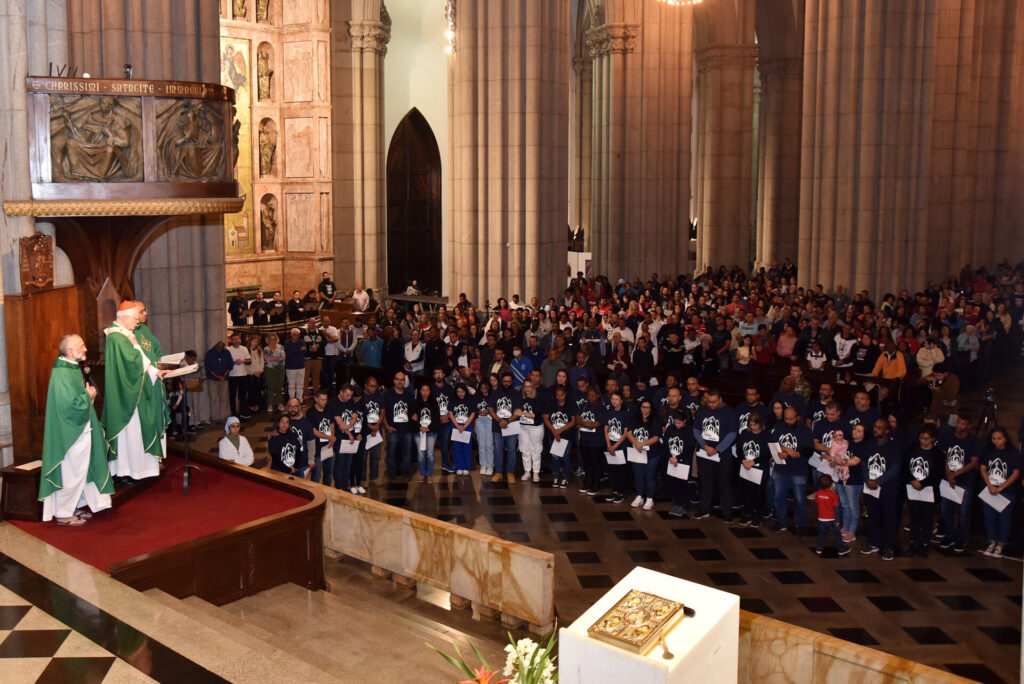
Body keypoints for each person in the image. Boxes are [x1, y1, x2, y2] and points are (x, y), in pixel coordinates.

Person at [39, 334, 113, 525]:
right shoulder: (62, 374)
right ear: (70, 352)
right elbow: (68, 407)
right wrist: (88, 395)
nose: (85, 349)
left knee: (81, 471)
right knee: (71, 472)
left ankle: (74, 506)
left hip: (80, 428)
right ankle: (63, 514)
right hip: (71, 433)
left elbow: (77, 397)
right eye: (81, 346)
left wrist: (88, 395)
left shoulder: (71, 369)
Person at [102, 301, 169, 482]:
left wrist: (156, 371)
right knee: (129, 435)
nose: (138, 322)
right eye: (134, 318)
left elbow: (142, 362)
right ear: (124, 317)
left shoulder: (125, 334)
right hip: (126, 396)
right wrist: (137, 346)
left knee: (135, 434)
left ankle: (133, 470)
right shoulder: (117, 337)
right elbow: (135, 363)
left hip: (131, 391)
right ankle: (125, 472)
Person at [937, 414, 981, 552]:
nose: (959, 426)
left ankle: (961, 538)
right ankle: (949, 535)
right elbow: (943, 454)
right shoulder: (948, 435)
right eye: (959, 423)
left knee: (963, 512)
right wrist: (948, 473)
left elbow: (974, 462)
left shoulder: (974, 441)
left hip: (965, 481)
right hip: (947, 480)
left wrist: (955, 474)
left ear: (969, 426)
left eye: (963, 424)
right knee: (945, 510)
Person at [693, 389, 738, 522]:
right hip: (705, 453)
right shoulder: (702, 410)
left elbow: (732, 434)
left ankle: (726, 511)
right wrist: (705, 446)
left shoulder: (729, 412)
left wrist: (717, 449)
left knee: (724, 483)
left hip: (722, 455)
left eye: (713, 402)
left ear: (720, 400)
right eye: (709, 402)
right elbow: (696, 430)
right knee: (705, 482)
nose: (711, 405)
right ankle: (704, 509)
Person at [861, 419, 903, 560]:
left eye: (879, 428)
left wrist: (878, 482)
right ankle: (872, 543)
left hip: (887, 489)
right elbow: (863, 463)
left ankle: (889, 547)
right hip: (871, 487)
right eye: (874, 427)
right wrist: (868, 480)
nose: (875, 430)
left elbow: (895, 468)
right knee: (872, 516)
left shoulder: (894, 447)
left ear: (886, 431)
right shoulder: (869, 444)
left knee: (889, 518)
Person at [979, 427, 1021, 558]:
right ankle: (992, 541)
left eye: (999, 438)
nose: (996, 441)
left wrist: (1001, 488)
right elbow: (983, 469)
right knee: (989, 518)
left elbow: (1016, 473)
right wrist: (990, 486)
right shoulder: (988, 451)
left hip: (1006, 491)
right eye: (994, 439)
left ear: (1005, 438)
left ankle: (1001, 544)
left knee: (1004, 519)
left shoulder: (1013, 453)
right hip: (990, 490)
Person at [770, 407, 813, 534]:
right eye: (786, 418)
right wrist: (782, 451)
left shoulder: (805, 430)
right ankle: (781, 521)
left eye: (791, 419)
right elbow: (772, 444)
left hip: (798, 471)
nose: (788, 421)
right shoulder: (779, 428)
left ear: (797, 417)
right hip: (780, 469)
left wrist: (796, 453)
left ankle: (799, 523)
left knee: (799, 499)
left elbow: (809, 450)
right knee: (778, 497)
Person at [904, 425, 941, 557]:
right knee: (914, 518)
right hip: (912, 488)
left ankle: (924, 544)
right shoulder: (912, 450)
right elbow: (906, 467)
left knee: (927, 519)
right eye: (921, 438)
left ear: (932, 439)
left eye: (926, 438)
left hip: (929, 491)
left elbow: (938, 473)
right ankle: (913, 543)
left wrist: (923, 483)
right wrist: (912, 481)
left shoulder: (937, 454)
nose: (923, 441)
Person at [736, 413, 771, 526]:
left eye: (755, 425)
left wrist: (753, 462)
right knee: (746, 492)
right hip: (746, 468)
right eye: (751, 425)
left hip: (759, 470)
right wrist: (743, 460)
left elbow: (767, 454)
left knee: (758, 494)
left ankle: (757, 516)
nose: (753, 427)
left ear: (760, 424)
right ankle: (747, 514)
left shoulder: (766, 435)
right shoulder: (745, 433)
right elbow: (739, 449)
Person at [627, 399, 662, 510]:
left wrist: (641, 444)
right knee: (638, 475)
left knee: (649, 475)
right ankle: (639, 495)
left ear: (651, 409)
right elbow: (629, 433)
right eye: (643, 407)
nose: (645, 410)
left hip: (652, 453)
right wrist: (636, 443)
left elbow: (656, 437)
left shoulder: (656, 420)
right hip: (637, 451)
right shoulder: (634, 418)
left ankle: (650, 498)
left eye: (647, 407)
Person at [488, 372, 523, 483]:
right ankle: (498, 472)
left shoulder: (516, 394)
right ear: (501, 381)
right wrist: (499, 420)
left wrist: (507, 421)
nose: (506, 383)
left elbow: (518, 411)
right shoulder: (496, 392)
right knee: (498, 450)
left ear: (512, 381)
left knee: (512, 450)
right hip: (497, 426)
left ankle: (510, 472)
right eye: (504, 381)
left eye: (508, 381)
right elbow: (490, 409)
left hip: (512, 426)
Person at [329, 384, 362, 493]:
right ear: (341, 392)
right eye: (347, 395)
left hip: (349, 438)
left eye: (350, 395)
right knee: (340, 463)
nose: (349, 397)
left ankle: (345, 485)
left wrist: (348, 428)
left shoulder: (351, 401)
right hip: (339, 438)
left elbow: (355, 416)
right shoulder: (334, 403)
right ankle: (339, 487)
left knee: (348, 464)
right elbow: (339, 423)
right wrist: (349, 433)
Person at [382, 371, 415, 477]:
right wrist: (386, 426)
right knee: (391, 453)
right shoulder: (387, 395)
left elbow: (412, 412)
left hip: (406, 430)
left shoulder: (409, 395)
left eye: (402, 379)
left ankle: (405, 473)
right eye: (398, 379)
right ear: (394, 381)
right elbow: (383, 413)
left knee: (407, 453)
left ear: (404, 381)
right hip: (392, 430)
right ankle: (391, 473)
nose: (400, 382)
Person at [664, 409, 696, 518]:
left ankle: (683, 504)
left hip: (683, 462)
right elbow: (665, 444)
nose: (677, 425)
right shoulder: (670, 429)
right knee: (673, 482)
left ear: (685, 421)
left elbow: (689, 448)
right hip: (671, 460)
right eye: (675, 422)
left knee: (682, 483)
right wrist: (670, 456)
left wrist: (678, 458)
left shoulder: (688, 431)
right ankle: (676, 502)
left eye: (679, 423)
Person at [601, 391, 631, 504]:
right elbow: (605, 430)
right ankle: (614, 490)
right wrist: (609, 445)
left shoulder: (625, 414)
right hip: (610, 446)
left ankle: (621, 492)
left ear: (621, 401)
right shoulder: (608, 413)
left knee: (621, 470)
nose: (614, 401)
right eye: (612, 399)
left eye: (616, 399)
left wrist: (615, 446)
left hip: (621, 446)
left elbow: (625, 433)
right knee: (612, 470)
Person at [306, 389, 337, 486]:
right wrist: (329, 437)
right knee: (316, 476)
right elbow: (313, 431)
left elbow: (332, 423)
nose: (324, 402)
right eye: (322, 400)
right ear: (315, 399)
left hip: (329, 447)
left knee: (328, 475)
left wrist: (332, 437)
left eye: (326, 399)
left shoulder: (328, 408)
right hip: (317, 450)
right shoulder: (310, 412)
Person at [814, 474, 850, 556]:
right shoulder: (833, 495)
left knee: (821, 534)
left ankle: (819, 548)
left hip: (821, 518)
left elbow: (817, 504)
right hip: (831, 519)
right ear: (831, 484)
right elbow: (836, 508)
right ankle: (841, 549)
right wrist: (837, 520)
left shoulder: (818, 493)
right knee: (837, 534)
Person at [358, 376, 385, 485]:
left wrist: (377, 426)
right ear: (366, 386)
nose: (374, 388)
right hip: (365, 430)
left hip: (377, 430)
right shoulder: (361, 397)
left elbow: (383, 411)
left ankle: (374, 477)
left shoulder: (379, 395)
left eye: (375, 386)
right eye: (372, 386)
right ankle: (363, 479)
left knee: (376, 456)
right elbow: (360, 416)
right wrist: (370, 426)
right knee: (363, 457)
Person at [518, 378, 545, 482]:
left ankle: (536, 472)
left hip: (535, 427)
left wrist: (522, 414)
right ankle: (527, 471)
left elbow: (536, 415)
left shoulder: (538, 398)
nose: (527, 389)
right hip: (523, 427)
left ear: (533, 387)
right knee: (524, 449)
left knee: (536, 449)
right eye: (525, 386)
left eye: (529, 386)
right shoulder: (521, 398)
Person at [412, 382, 439, 483]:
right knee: (421, 454)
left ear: (430, 391)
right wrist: (420, 427)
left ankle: (429, 474)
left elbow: (436, 418)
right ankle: (422, 474)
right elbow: (413, 418)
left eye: (427, 390)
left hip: (431, 432)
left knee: (430, 454)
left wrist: (429, 428)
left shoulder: (434, 403)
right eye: (423, 390)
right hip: (419, 432)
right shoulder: (415, 403)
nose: (425, 392)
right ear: (420, 391)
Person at [448, 384, 475, 475]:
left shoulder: (470, 399)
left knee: (467, 447)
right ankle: (458, 466)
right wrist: (457, 425)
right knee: (456, 447)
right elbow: (450, 413)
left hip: (467, 426)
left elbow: (472, 414)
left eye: (462, 391)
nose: (460, 394)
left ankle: (466, 467)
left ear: (465, 391)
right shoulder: (453, 399)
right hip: (455, 426)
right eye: (458, 392)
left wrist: (465, 425)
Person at [285, 398, 314, 479]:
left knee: (302, 488)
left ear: (300, 407)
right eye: (290, 406)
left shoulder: (306, 422)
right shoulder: (281, 422)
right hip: (286, 464)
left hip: (303, 463)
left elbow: (311, 442)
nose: (292, 409)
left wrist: (311, 460)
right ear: (287, 408)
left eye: (295, 406)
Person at [205, 340, 232, 423]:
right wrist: (218, 376)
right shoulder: (209, 354)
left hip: (224, 379)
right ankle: (214, 417)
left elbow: (230, 365)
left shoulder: (226, 352)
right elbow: (208, 368)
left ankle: (222, 417)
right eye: (219, 348)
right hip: (213, 379)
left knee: (223, 398)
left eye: (222, 348)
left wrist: (224, 375)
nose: (220, 350)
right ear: (216, 347)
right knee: (213, 399)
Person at [226, 333, 251, 419]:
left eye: (237, 339)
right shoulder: (228, 350)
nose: (236, 341)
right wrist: (234, 362)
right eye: (234, 339)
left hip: (243, 375)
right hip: (232, 376)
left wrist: (242, 361)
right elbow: (225, 363)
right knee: (232, 395)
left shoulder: (244, 349)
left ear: (240, 340)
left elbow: (249, 360)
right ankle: (233, 412)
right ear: (231, 341)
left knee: (243, 395)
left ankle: (243, 412)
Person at [475, 381, 495, 475]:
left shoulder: (493, 396)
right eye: (482, 387)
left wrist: (488, 412)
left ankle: (490, 465)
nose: (483, 388)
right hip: (479, 420)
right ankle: (483, 465)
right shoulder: (476, 396)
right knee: (481, 444)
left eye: (485, 386)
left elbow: (496, 409)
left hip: (490, 420)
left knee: (489, 444)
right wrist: (478, 412)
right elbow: (472, 408)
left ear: (489, 387)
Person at [263, 333, 286, 412]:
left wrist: (274, 358)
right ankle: (270, 404)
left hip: (280, 369)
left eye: (274, 339)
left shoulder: (281, 347)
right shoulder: (266, 349)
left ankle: (279, 403)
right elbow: (268, 360)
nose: (272, 341)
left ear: (276, 339)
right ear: (268, 340)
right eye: (271, 339)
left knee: (279, 387)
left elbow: (283, 357)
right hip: (270, 370)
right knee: (271, 387)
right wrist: (278, 357)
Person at [283, 328, 307, 402]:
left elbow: (304, 352)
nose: (295, 336)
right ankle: (292, 401)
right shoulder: (287, 342)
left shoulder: (302, 341)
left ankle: (300, 400)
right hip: (290, 367)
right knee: (291, 385)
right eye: (294, 334)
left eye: (297, 335)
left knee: (300, 385)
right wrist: (299, 350)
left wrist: (296, 351)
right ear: (291, 335)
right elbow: (289, 353)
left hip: (301, 366)